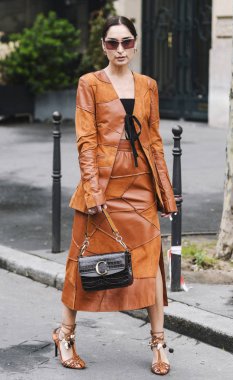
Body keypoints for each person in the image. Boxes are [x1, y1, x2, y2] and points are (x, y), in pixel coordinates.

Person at [52, 15, 177, 376]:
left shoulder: (148, 86)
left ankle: (158, 343)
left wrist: (165, 195)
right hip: (103, 188)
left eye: (125, 42)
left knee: (151, 265)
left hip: (141, 188)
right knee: (81, 263)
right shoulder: (89, 83)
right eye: (112, 43)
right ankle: (65, 335)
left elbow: (154, 141)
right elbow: (85, 141)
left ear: (135, 43)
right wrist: (92, 190)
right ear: (103, 46)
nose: (119, 49)